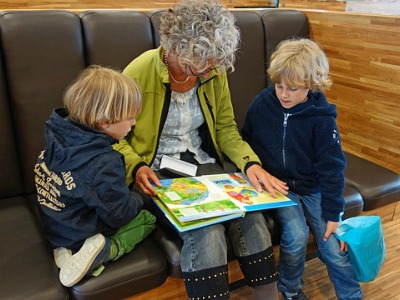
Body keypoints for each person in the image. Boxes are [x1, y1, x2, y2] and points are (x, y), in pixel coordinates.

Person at [114, 0, 288, 299]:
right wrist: (136, 166)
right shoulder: (139, 72)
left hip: (202, 163)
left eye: (212, 62)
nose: (206, 70)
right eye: (197, 62)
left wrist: (250, 164)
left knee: (250, 218)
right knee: (206, 229)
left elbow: (225, 128)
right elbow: (113, 135)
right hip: (156, 169)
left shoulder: (212, 70)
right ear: (174, 47)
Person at [242, 38, 364, 300]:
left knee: (334, 246)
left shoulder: (321, 117)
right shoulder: (262, 104)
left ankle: (352, 295)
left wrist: (334, 214)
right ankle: (290, 291)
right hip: (279, 188)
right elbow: (245, 142)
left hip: (314, 188)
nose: (284, 94)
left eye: (293, 89)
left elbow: (332, 168)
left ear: (311, 84)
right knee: (296, 235)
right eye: (279, 86)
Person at [34, 65, 156, 287]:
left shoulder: (58, 132)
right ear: (105, 122)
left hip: (55, 225)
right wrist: (142, 196)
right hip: (80, 229)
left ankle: (65, 250)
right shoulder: (103, 164)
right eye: (130, 118)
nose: (134, 123)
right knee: (148, 220)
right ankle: (105, 250)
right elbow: (120, 214)